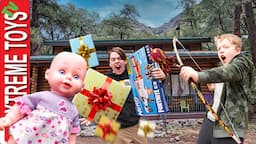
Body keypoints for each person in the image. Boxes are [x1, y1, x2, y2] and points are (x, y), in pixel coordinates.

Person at [179, 33, 256, 144]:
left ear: (238, 50)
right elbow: (227, 90)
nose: (221, 51)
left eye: (225, 47)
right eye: (219, 48)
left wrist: (198, 75)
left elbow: (229, 73)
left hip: (230, 125)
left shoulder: (243, 63)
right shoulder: (223, 67)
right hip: (210, 120)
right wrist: (214, 87)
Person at [0, 52, 87, 144]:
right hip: (27, 136)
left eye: (76, 76)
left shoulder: (73, 111)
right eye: (62, 72)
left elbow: (72, 135)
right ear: (48, 74)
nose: (69, 77)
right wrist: (9, 118)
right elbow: (21, 107)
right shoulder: (42, 96)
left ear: (82, 86)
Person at [107, 47, 166, 144]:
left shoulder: (136, 75)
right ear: (110, 63)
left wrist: (162, 78)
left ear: (125, 61)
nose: (117, 61)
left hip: (141, 122)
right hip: (115, 127)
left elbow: (153, 88)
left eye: (120, 58)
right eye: (113, 59)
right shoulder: (105, 80)